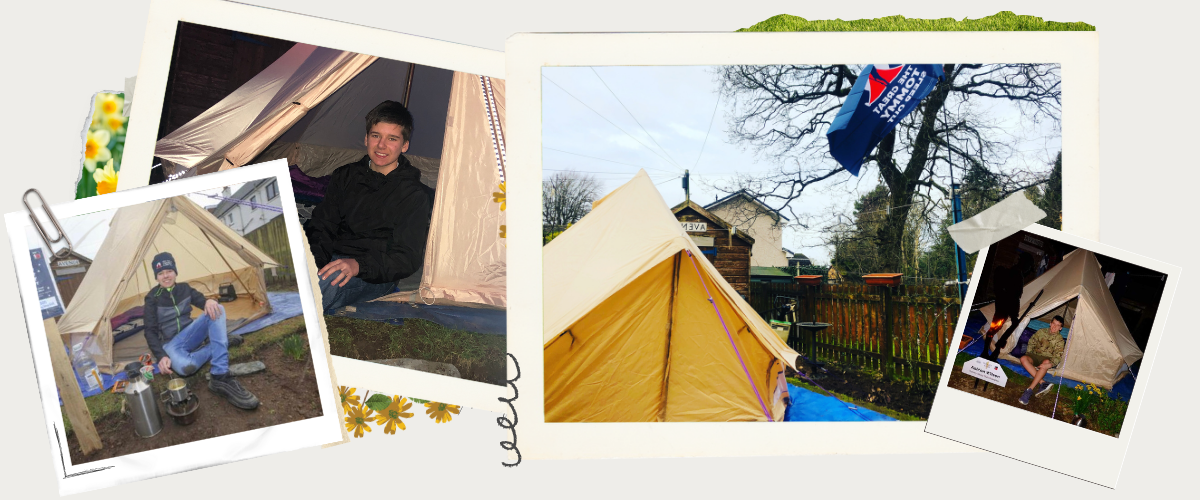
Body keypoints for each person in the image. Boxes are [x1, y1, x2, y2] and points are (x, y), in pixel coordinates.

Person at [305, 100, 432, 314]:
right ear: (366, 138)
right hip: (332, 260)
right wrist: (315, 261)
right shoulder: (345, 176)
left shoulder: (413, 195)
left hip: (373, 274)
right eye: (376, 136)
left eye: (392, 139)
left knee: (319, 285)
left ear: (404, 145)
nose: (381, 146)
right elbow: (322, 225)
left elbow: (406, 258)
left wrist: (357, 265)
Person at [143, 252, 259, 410]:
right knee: (186, 367)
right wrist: (161, 356)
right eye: (161, 273)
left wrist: (209, 301)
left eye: (169, 271)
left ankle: (219, 375)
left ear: (175, 272)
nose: (166, 276)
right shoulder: (152, 298)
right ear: (156, 277)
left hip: (190, 335)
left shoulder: (184, 288)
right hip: (171, 344)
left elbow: (200, 300)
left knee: (217, 309)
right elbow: (149, 331)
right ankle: (219, 345)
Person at [1018, 315, 1067, 405]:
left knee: (1046, 362)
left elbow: (1058, 356)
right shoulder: (1041, 331)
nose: (1054, 327)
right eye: (1053, 324)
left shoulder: (1060, 340)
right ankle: (1043, 382)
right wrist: (1029, 353)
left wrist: (1050, 364)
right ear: (1050, 323)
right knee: (1023, 358)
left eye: (1058, 325)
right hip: (1034, 355)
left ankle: (1029, 390)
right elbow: (1032, 342)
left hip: (1046, 359)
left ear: (1060, 328)